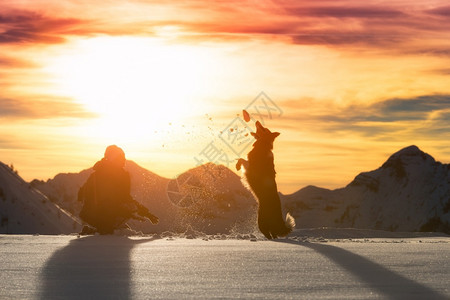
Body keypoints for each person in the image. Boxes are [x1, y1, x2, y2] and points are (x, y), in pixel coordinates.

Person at [78, 145, 159, 235]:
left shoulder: (99, 173)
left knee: (121, 221)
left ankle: (99, 229)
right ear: (113, 159)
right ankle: (103, 230)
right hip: (101, 213)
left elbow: (82, 194)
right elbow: (117, 200)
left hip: (89, 214)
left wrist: (144, 213)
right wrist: (131, 212)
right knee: (114, 230)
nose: (124, 160)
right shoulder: (115, 175)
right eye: (120, 158)